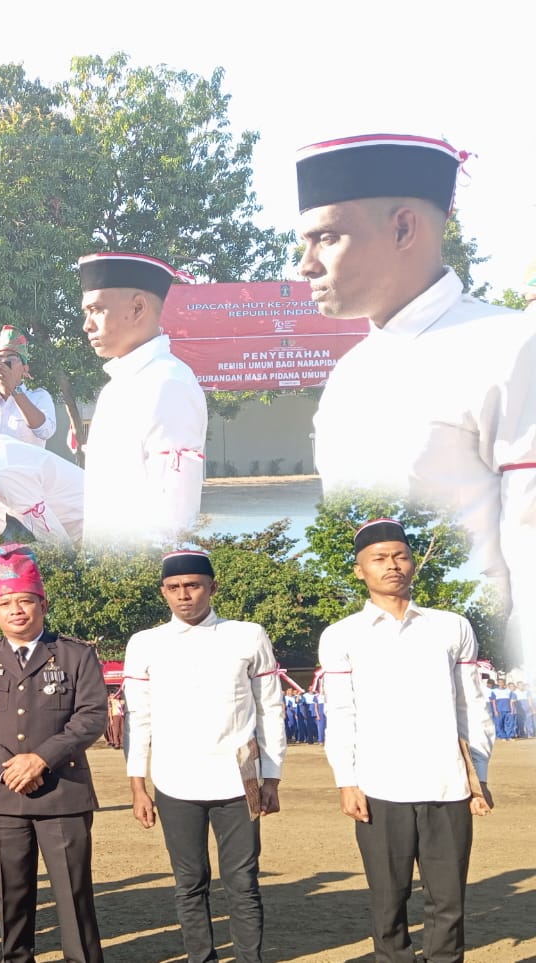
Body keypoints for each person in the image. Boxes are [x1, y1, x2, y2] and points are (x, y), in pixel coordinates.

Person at [296, 133, 536, 678]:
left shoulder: (512, 346)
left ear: (404, 227)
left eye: (325, 239)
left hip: (480, 661)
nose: (305, 265)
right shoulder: (348, 374)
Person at [318, 518, 495, 963]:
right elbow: (340, 714)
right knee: (388, 903)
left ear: (412, 563)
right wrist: (347, 781)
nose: (392, 565)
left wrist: (479, 776)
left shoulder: (451, 626)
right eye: (378, 558)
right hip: (380, 788)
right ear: (360, 570)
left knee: (448, 903)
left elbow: (471, 706)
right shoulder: (342, 635)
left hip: (447, 786)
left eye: (400, 556)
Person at [123, 549, 286, 963]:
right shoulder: (145, 644)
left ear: (212, 587)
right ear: (163, 592)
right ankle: (202, 958)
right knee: (189, 881)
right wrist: (138, 786)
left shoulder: (248, 635)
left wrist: (272, 778)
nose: (184, 595)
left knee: (243, 882)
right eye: (174, 588)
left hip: (239, 779)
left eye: (193, 585)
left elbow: (269, 709)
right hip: (174, 781)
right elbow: (138, 720)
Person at [0, 544, 107, 963]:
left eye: (24, 600)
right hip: (1, 797)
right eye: (5, 603)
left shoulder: (76, 655)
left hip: (63, 794)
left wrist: (40, 759)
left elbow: (92, 715)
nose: (16, 610)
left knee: (74, 896)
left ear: (42, 603)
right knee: (12, 899)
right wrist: (9, 769)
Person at [78, 252, 206, 548]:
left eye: (96, 310)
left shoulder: (167, 383)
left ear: (138, 308)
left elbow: (173, 519)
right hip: (110, 575)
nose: (87, 325)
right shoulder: (119, 386)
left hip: (141, 579)